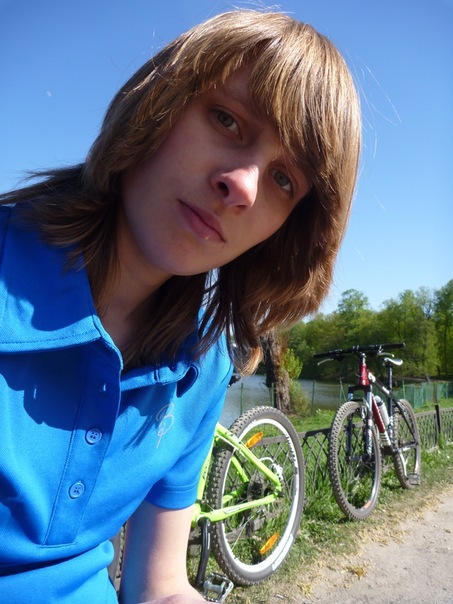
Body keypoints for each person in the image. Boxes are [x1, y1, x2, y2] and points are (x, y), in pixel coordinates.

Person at [0, 9, 361, 604]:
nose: (243, 185)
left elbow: (159, 584)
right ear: (158, 101)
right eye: (227, 119)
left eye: (284, 181)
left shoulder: (204, 364)